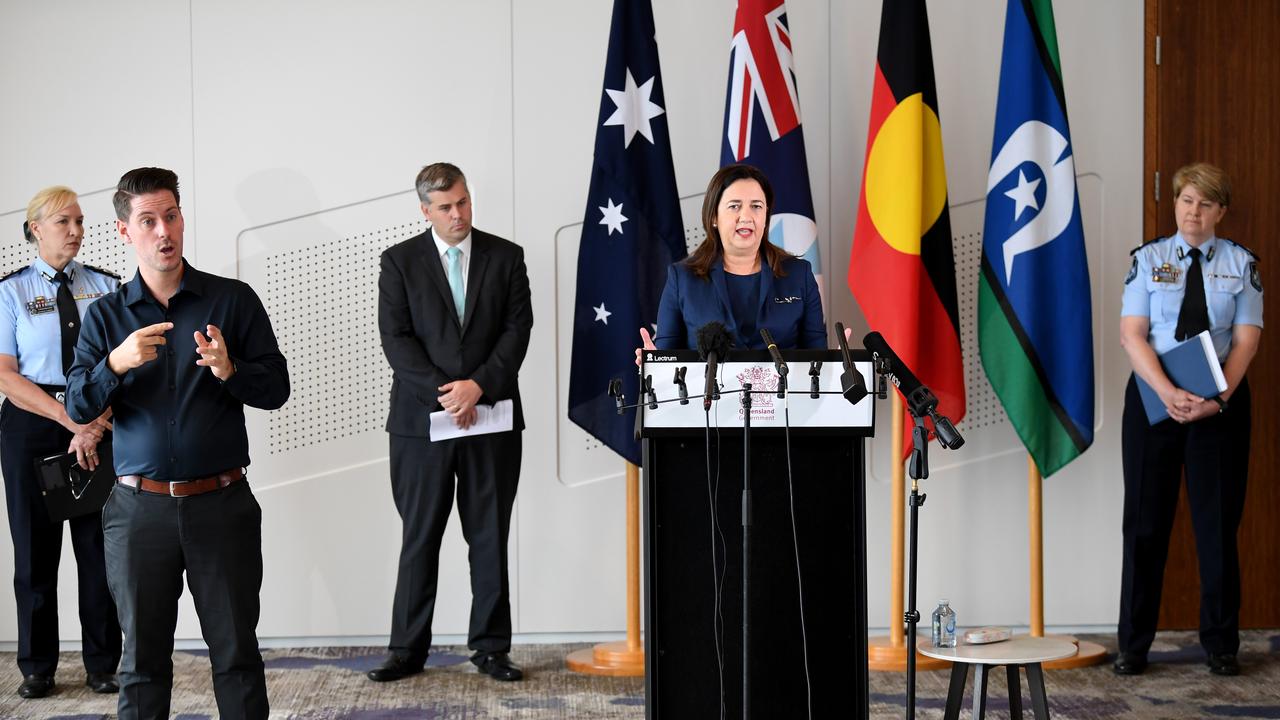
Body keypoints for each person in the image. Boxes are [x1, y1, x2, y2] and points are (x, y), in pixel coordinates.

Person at [65, 167, 290, 718]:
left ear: (182, 219)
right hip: (137, 513)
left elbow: (276, 389)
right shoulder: (104, 317)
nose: (163, 231)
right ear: (124, 232)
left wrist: (230, 369)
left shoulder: (232, 302)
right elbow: (77, 406)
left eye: (170, 216)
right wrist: (115, 364)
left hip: (222, 506)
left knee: (237, 655)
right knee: (141, 665)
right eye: (147, 221)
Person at [370, 162, 533, 683]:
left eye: (463, 202)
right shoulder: (398, 262)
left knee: (489, 535)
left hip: (493, 414)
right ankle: (406, 650)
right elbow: (396, 339)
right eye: (446, 207)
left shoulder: (507, 257)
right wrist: (447, 394)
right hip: (421, 424)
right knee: (420, 536)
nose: (458, 213)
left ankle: (491, 649)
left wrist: (478, 386)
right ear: (425, 211)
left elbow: (517, 329)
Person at [1116, 162, 1262, 677]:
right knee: (1144, 526)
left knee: (1217, 526)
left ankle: (1222, 645)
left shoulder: (1241, 265)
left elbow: (1246, 341)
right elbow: (1133, 334)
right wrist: (1168, 392)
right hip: (1154, 405)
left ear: (1220, 210)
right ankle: (1132, 646)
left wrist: (1216, 399)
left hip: (1219, 407)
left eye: (1203, 203)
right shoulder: (1147, 259)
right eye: (1185, 201)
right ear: (1174, 204)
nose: (1192, 212)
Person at [0, 187, 121, 699]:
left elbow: (127, 361)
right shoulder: (10, 292)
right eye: (62, 221)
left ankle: (102, 664)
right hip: (34, 424)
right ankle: (37, 667)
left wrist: (93, 420)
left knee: (99, 549)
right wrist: (71, 421)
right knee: (34, 551)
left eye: (79, 221)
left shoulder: (107, 286)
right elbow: (6, 376)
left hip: (98, 418)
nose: (75, 230)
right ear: (35, 229)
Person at [643, 163, 825, 353]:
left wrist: (833, 365)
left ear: (766, 215)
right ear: (714, 216)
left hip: (786, 383)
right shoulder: (682, 279)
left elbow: (817, 356)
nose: (746, 216)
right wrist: (654, 362)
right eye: (734, 206)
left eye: (756, 206)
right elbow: (666, 359)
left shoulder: (799, 274)